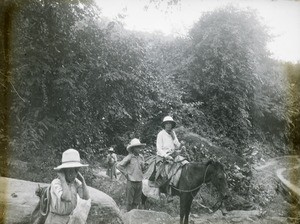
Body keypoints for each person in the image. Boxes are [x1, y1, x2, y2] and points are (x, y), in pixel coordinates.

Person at [44, 149, 90, 224]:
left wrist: (83, 180)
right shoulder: (56, 183)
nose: (73, 174)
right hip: (56, 219)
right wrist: (62, 179)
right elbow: (67, 198)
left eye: (75, 170)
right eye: (69, 171)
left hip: (69, 218)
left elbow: (86, 197)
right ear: (63, 171)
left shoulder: (75, 182)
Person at [156, 116, 186, 202]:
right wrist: (166, 156)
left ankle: (183, 187)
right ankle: (168, 192)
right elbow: (159, 148)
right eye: (167, 124)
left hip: (173, 154)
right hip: (163, 155)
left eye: (170, 124)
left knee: (183, 163)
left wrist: (181, 146)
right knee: (167, 170)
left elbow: (177, 146)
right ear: (164, 125)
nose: (169, 125)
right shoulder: (161, 134)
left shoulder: (173, 133)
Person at [116, 138, 145, 212]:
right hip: (131, 181)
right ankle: (128, 215)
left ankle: (134, 216)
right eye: (136, 147)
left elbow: (143, 169)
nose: (138, 149)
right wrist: (126, 174)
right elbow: (119, 165)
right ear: (133, 148)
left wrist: (143, 166)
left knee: (137, 201)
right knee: (129, 201)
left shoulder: (141, 157)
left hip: (139, 181)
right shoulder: (130, 157)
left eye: (139, 147)